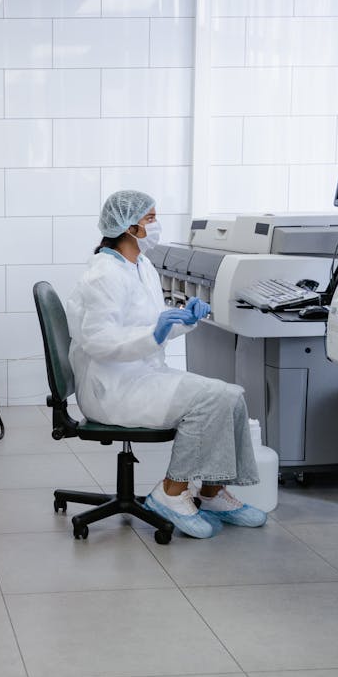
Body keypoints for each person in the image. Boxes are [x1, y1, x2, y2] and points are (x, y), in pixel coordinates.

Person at [64, 189, 267, 539]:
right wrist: (154, 333)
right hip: (112, 387)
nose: (156, 226)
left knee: (231, 395)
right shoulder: (103, 276)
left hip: (142, 375)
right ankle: (170, 492)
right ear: (130, 227)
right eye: (150, 219)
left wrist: (184, 319)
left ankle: (212, 492)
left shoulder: (140, 266)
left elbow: (154, 323)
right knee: (211, 398)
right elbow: (99, 342)